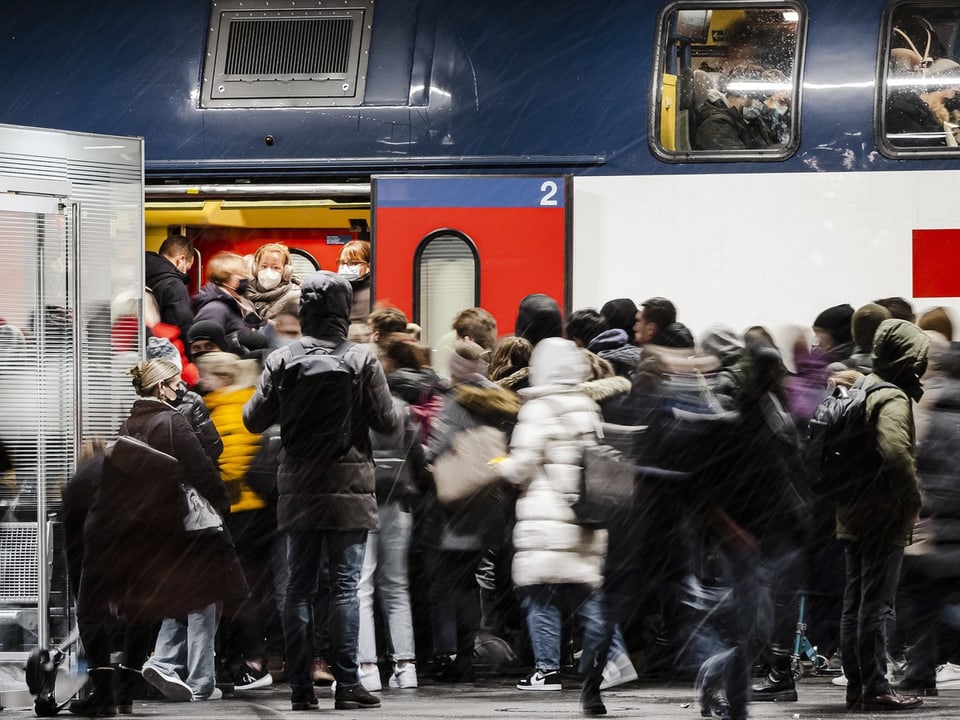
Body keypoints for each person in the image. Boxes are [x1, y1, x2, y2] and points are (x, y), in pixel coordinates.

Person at [243, 270, 398, 712]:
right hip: (349, 485)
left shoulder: (283, 360)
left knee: (298, 589)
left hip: (298, 487)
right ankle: (347, 685)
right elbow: (387, 422)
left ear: (306, 310)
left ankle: (299, 689)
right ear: (344, 310)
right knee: (345, 588)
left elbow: (252, 420)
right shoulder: (361, 359)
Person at [74, 359, 247, 709]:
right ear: (161, 387)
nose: (180, 387)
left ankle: (157, 667)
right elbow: (202, 472)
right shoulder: (173, 420)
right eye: (175, 382)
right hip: (182, 520)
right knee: (203, 598)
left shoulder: (128, 425)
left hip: (140, 527)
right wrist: (221, 507)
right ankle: (196, 677)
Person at [495, 337, 612, 715]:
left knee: (541, 597)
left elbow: (521, 466)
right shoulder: (588, 406)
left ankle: (547, 670)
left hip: (546, 519)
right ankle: (605, 667)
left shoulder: (539, 409)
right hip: (584, 516)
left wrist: (496, 463)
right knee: (589, 599)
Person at [836, 318, 929, 712]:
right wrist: (913, 497)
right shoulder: (891, 397)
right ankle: (875, 686)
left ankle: (858, 685)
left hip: (853, 507)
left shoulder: (863, 386)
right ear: (908, 360)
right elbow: (894, 451)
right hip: (882, 511)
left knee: (855, 600)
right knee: (877, 604)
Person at [193, 351, 275, 692]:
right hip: (253, 513)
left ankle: (252, 661)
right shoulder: (242, 405)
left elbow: (232, 465)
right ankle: (243, 658)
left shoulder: (228, 410)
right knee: (247, 588)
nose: (201, 381)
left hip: (241, 513)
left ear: (223, 377)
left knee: (241, 589)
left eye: (206, 375)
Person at [695, 63, 777, 150]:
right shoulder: (717, 125)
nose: (761, 104)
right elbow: (738, 162)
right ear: (743, 94)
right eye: (758, 98)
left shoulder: (750, 121)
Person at [887, 59, 960, 148]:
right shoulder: (906, 108)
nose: (958, 88)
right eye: (955, 81)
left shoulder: (951, 109)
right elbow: (921, 144)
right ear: (942, 82)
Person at [192, 252, 260, 340]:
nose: (246, 279)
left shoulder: (235, 303)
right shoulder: (215, 309)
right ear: (226, 277)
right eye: (241, 275)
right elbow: (205, 344)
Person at [145, 234, 195, 341]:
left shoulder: (142, 274)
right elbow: (183, 327)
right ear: (180, 260)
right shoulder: (174, 285)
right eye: (188, 267)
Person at [244, 243, 302, 322]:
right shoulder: (246, 291)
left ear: (286, 272)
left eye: (276, 268)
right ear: (255, 268)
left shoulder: (295, 297)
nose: (268, 271)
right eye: (264, 266)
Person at [337, 240, 373, 343]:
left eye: (353, 263)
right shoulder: (337, 291)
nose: (345, 268)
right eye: (342, 263)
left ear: (369, 266)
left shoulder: (373, 292)